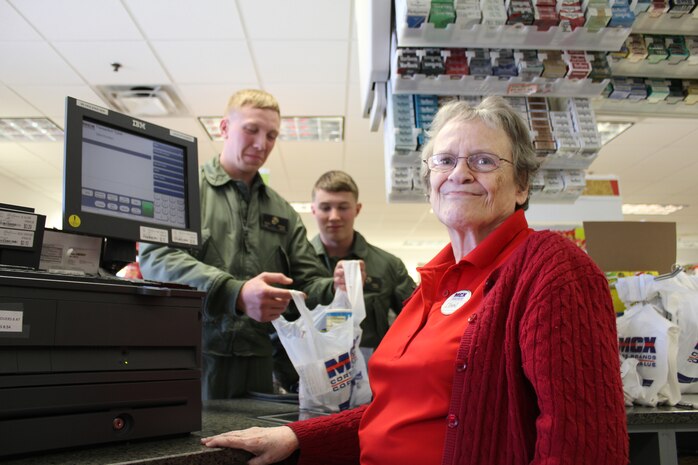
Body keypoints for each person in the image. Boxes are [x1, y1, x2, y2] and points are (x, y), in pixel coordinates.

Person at [200, 96, 629, 465]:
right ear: (430, 185)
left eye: (483, 161)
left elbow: (586, 448)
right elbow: (392, 413)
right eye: (444, 160)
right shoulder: (433, 285)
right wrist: (298, 436)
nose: (459, 174)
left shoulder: (553, 270)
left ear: (521, 185)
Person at [138, 89, 335, 400]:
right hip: (193, 357)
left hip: (259, 364)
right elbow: (157, 258)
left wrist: (336, 286)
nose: (262, 144)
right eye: (251, 129)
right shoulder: (183, 189)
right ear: (225, 128)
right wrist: (235, 292)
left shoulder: (282, 212)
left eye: (271, 135)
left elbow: (307, 282)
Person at [310, 170, 416, 360]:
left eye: (343, 207)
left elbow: (417, 320)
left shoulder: (388, 265)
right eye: (325, 207)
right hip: (312, 379)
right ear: (313, 210)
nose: (334, 216)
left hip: (370, 380)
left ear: (357, 209)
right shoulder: (296, 263)